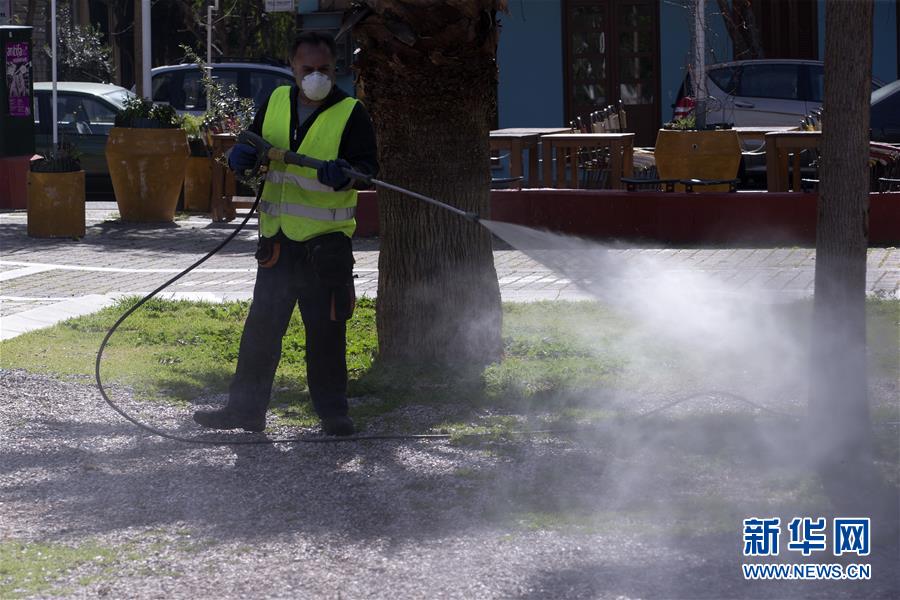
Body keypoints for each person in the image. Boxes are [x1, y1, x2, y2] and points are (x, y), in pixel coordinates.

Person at [193, 31, 378, 436]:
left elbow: (366, 168)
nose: (316, 76)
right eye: (307, 69)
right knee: (262, 330)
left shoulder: (351, 113)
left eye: (324, 69)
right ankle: (244, 411)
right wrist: (244, 158)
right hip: (277, 243)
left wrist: (345, 174)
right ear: (292, 68)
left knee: (326, 335)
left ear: (336, 70)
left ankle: (333, 414)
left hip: (325, 246)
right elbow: (256, 150)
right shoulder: (277, 101)